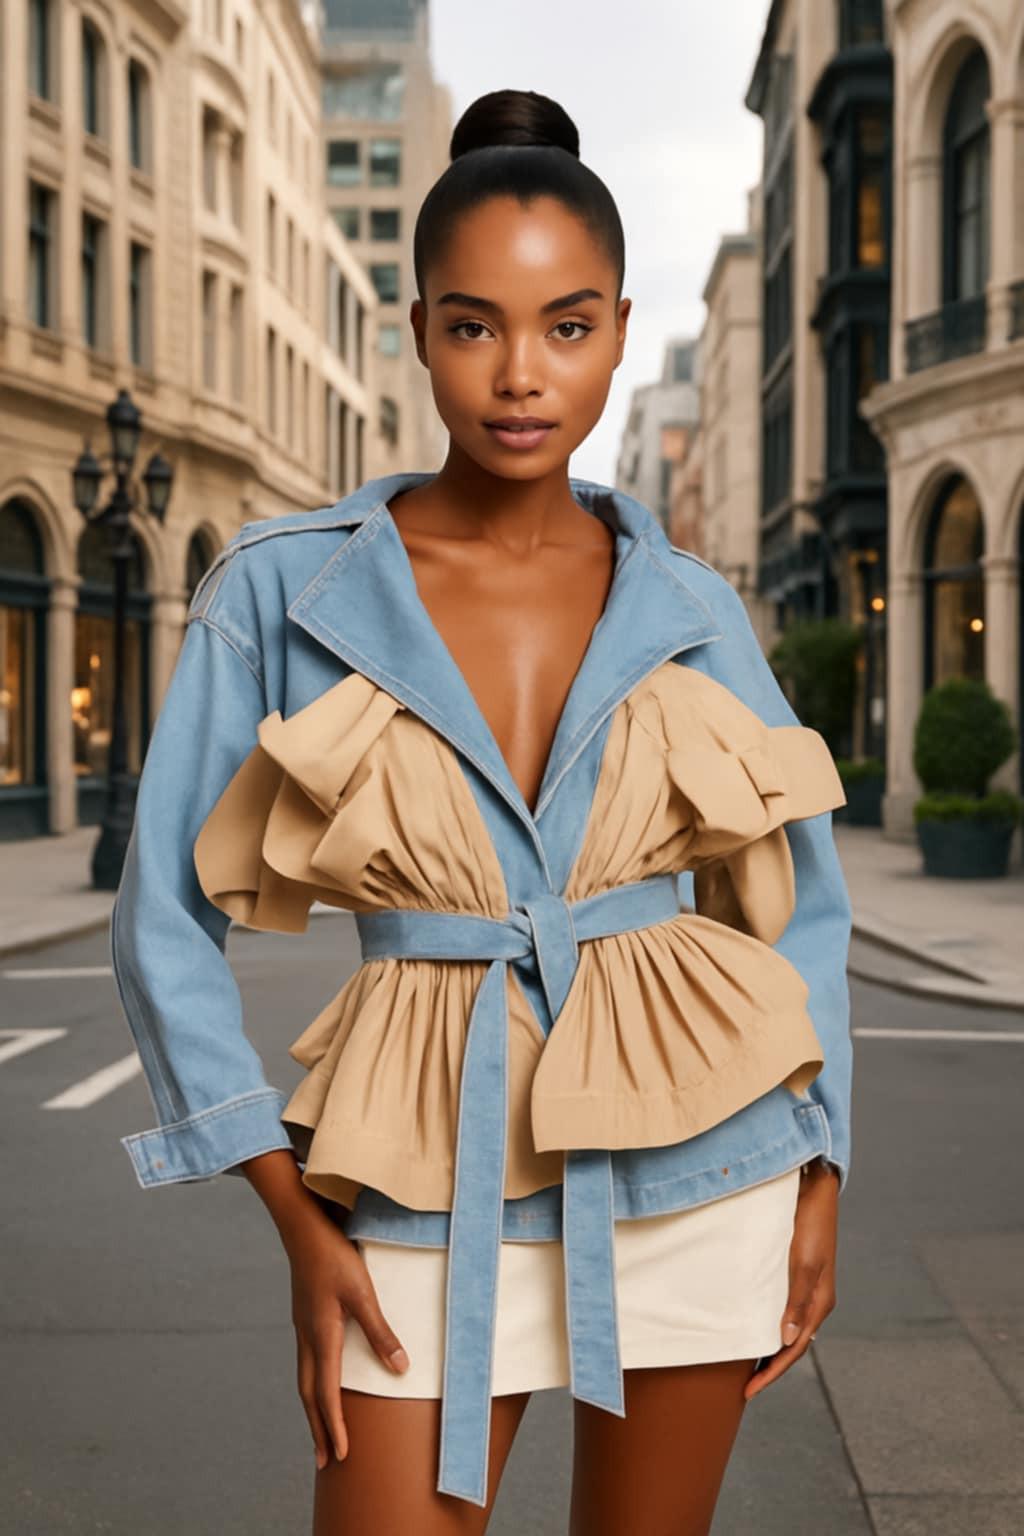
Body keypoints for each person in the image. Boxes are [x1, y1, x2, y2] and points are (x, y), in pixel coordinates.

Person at [112, 88, 853, 1536]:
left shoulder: (697, 607)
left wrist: (821, 1160)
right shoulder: (285, 586)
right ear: (418, 330)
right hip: (416, 1178)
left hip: (705, 1172)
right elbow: (160, 917)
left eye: (567, 327)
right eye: (476, 326)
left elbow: (797, 902)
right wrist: (287, 1204)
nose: (522, 375)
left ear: (623, 332)